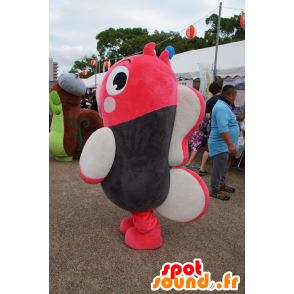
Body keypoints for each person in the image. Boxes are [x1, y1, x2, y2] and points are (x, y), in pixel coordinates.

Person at [208, 85, 239, 200]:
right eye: (235, 95)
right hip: (220, 145)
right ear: (230, 96)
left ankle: (221, 185)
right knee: (218, 169)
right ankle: (215, 190)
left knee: (223, 168)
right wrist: (230, 144)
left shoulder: (225, 106)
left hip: (223, 145)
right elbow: (223, 128)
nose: (236, 97)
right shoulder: (222, 108)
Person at [198, 82, 222, 176]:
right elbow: (232, 113)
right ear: (220, 89)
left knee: (208, 148)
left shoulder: (209, 101)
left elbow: (207, 116)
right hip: (225, 129)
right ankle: (218, 170)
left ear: (211, 92)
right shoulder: (225, 100)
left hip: (213, 128)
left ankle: (202, 167)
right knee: (222, 149)